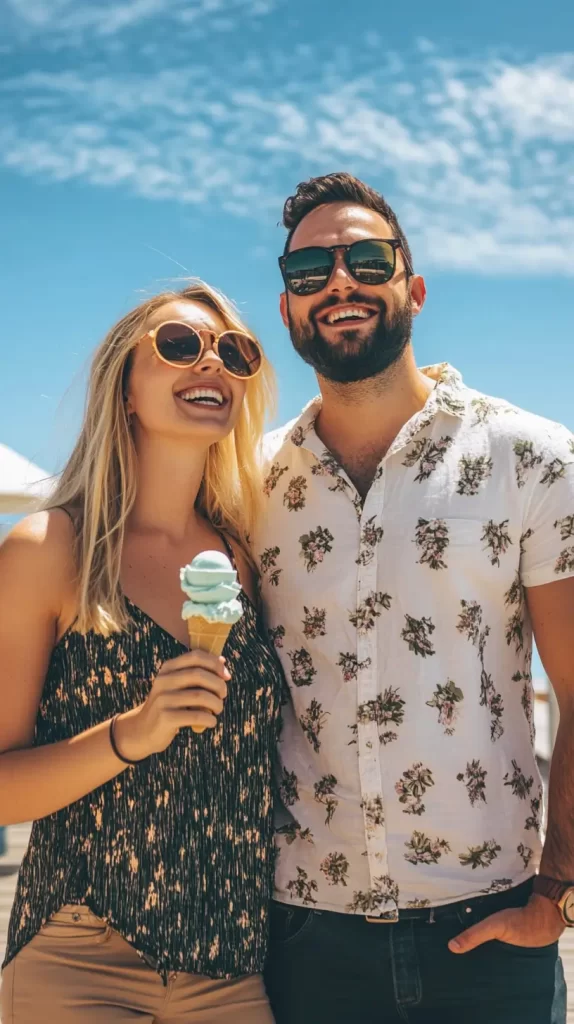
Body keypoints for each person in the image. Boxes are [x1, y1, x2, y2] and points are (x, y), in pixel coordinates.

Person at [257, 172, 574, 1023]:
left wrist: (558, 895)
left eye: (366, 258)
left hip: (494, 932)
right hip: (303, 938)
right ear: (288, 310)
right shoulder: (246, 484)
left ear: (414, 288)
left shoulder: (531, 459)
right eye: (308, 272)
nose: (339, 283)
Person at [0, 282, 283, 1023]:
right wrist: (136, 732)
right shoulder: (50, 549)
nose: (212, 365)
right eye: (181, 346)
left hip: (232, 967)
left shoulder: (247, 560)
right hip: (79, 958)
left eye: (235, 353)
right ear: (125, 386)